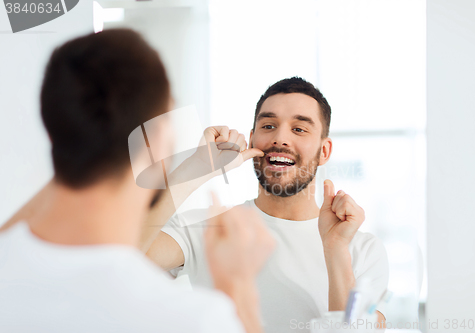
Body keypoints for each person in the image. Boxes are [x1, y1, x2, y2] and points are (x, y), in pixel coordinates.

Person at [0, 29, 275, 333]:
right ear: (157, 141)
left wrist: (77, 136)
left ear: (52, 131)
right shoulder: (190, 319)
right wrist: (238, 288)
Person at [146, 78, 390, 332]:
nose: (280, 138)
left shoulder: (362, 250)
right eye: (269, 125)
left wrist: (336, 250)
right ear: (252, 141)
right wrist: (196, 168)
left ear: (324, 151)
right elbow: (124, 250)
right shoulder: (208, 228)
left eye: (299, 129)